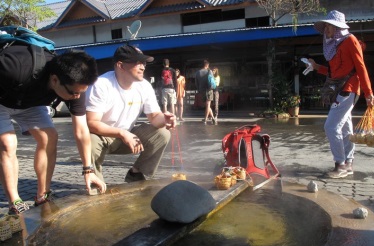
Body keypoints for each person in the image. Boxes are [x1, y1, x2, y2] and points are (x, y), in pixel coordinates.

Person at [0, 47, 107, 215]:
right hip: (2, 100)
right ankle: (15, 202)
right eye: (74, 93)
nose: (77, 97)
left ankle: (42, 195)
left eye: (81, 93)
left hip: (30, 104)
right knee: (7, 143)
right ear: (55, 80)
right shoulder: (13, 67)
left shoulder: (76, 85)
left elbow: (81, 130)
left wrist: (88, 170)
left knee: (50, 137)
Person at [85, 45, 177, 183]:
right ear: (120, 65)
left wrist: (165, 119)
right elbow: (91, 123)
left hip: (129, 136)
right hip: (103, 136)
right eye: (137, 62)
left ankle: (136, 174)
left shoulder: (144, 85)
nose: (143, 67)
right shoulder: (101, 85)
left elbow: (154, 117)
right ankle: (95, 184)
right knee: (90, 140)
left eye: (144, 63)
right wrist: (122, 133)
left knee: (162, 133)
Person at [308, 10, 374, 179]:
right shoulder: (333, 45)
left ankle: (340, 164)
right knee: (346, 128)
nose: (326, 30)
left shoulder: (350, 41)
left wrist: (369, 93)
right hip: (338, 90)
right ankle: (349, 162)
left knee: (331, 127)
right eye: (325, 26)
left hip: (349, 89)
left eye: (329, 26)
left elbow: (361, 68)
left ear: (338, 27)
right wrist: (316, 67)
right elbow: (334, 73)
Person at [195, 60, 214, 124]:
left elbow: (196, 83)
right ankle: (205, 119)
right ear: (207, 65)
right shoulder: (209, 71)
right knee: (208, 104)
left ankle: (213, 118)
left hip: (202, 90)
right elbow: (212, 81)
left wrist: (199, 89)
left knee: (207, 105)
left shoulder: (197, 72)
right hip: (209, 89)